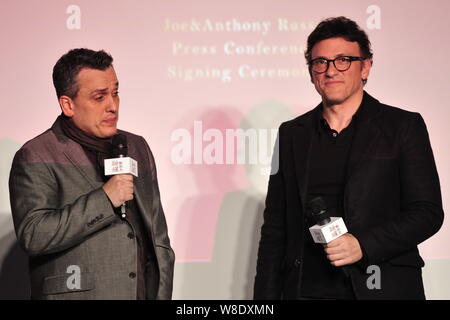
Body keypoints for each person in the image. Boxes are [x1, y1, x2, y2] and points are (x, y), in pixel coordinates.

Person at [254, 17, 444, 300]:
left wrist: (363, 245)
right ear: (311, 72)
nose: (331, 70)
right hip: (306, 290)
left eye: (343, 60)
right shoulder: (292, 133)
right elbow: (275, 229)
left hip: (380, 287)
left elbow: (427, 213)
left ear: (365, 67)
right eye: (320, 62)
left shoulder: (403, 126)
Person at [9, 48, 175, 300]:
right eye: (99, 97)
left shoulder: (136, 147)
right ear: (68, 104)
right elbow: (34, 234)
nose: (112, 106)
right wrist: (105, 199)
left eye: (115, 93)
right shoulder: (36, 154)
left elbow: (158, 237)